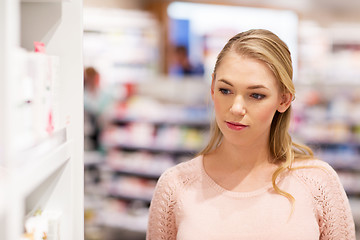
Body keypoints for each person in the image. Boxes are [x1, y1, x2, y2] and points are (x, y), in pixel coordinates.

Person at [146, 29, 356, 239]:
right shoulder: (174, 186)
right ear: (212, 87)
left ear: (284, 100)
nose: (236, 108)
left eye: (256, 95)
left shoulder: (318, 184)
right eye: (225, 90)